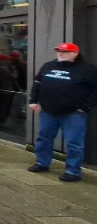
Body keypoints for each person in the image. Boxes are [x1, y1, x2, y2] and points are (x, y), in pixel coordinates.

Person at [27, 42, 97, 182]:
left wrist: (85, 107)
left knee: (74, 143)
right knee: (44, 138)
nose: (61, 53)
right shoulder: (48, 66)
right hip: (48, 111)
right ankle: (42, 163)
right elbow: (37, 84)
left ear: (75, 54)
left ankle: (73, 171)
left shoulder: (88, 69)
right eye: (59, 51)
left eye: (65, 52)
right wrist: (33, 100)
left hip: (73, 114)